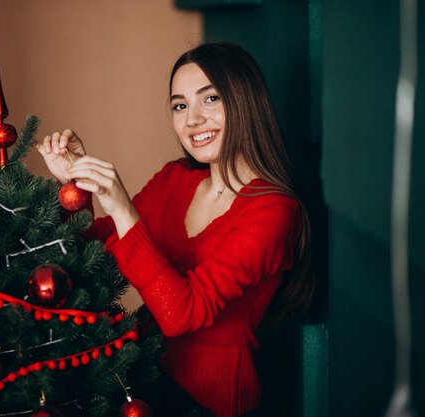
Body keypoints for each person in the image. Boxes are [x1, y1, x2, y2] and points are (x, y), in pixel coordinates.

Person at [36, 41, 313, 417]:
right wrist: (76, 188)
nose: (192, 120)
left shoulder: (276, 210)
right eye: (180, 106)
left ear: (246, 103)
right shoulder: (174, 179)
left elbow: (182, 314)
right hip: (140, 371)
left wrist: (121, 207)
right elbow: (89, 250)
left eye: (210, 99)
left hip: (206, 402)